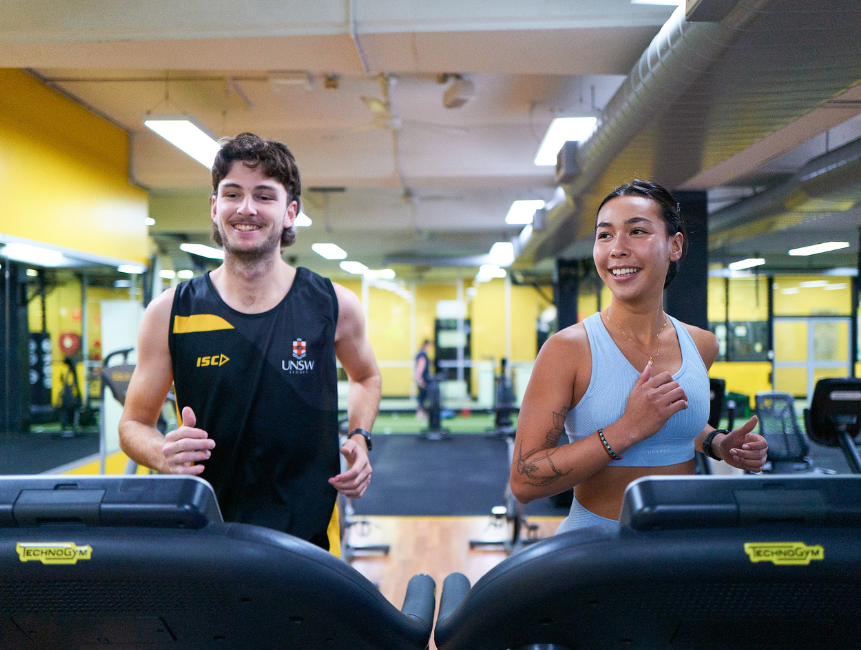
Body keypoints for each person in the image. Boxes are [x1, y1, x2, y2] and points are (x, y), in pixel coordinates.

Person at [119, 132, 381, 553]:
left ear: (290, 212)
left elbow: (366, 376)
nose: (246, 208)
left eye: (264, 196)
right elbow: (133, 424)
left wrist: (360, 436)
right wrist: (161, 452)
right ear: (214, 207)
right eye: (232, 194)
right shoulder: (170, 312)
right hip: (205, 539)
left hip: (309, 544)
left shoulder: (333, 305)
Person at [510, 180, 768, 532]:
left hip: (680, 542)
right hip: (598, 546)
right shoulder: (567, 349)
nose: (617, 249)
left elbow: (672, 423)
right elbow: (524, 481)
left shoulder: (701, 344)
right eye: (605, 235)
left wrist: (718, 443)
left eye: (637, 231)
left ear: (675, 245)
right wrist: (626, 430)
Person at [414, 340, 432, 418]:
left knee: (422, 395)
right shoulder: (422, 354)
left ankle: (421, 412)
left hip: (422, 377)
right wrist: (419, 378)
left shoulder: (421, 353)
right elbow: (420, 366)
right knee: (422, 395)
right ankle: (420, 412)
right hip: (423, 378)